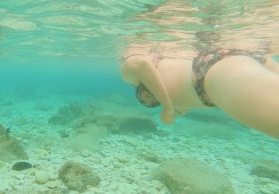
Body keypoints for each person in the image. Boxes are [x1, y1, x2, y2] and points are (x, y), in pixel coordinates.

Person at [119, 48, 279, 140]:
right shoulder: (166, 62)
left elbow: (140, 63)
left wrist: (168, 107)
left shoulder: (127, 70)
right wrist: (181, 107)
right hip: (218, 73)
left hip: (210, 75)